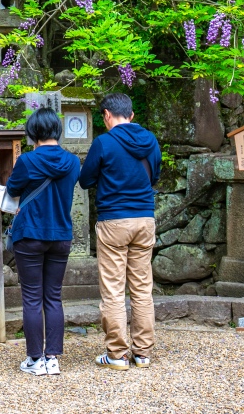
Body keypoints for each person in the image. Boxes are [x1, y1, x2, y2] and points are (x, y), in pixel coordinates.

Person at [78, 92, 161, 371]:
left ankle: (117, 354)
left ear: (107, 115)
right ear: (132, 115)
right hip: (144, 219)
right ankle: (144, 352)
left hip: (114, 220)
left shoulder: (104, 142)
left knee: (113, 290)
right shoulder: (150, 142)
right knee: (141, 289)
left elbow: (86, 179)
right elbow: (155, 176)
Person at [5, 107, 81, 376]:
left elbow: (13, 189)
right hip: (61, 234)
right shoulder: (73, 162)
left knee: (32, 298)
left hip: (30, 235)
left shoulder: (27, 161)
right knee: (53, 297)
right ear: (58, 131)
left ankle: (35, 359)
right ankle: (53, 359)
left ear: (33, 133)